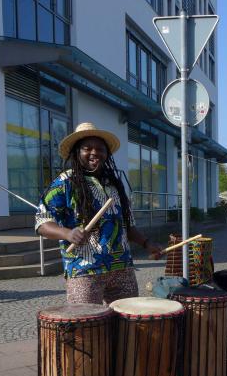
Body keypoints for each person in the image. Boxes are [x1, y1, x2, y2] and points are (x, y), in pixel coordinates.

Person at [35, 122, 162, 304]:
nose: (94, 153)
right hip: (84, 269)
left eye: (100, 149)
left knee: (126, 319)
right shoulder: (65, 182)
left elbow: (127, 225)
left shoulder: (114, 184)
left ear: (106, 154)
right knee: (87, 321)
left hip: (121, 267)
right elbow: (42, 222)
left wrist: (146, 243)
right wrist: (67, 233)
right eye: (87, 148)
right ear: (77, 152)